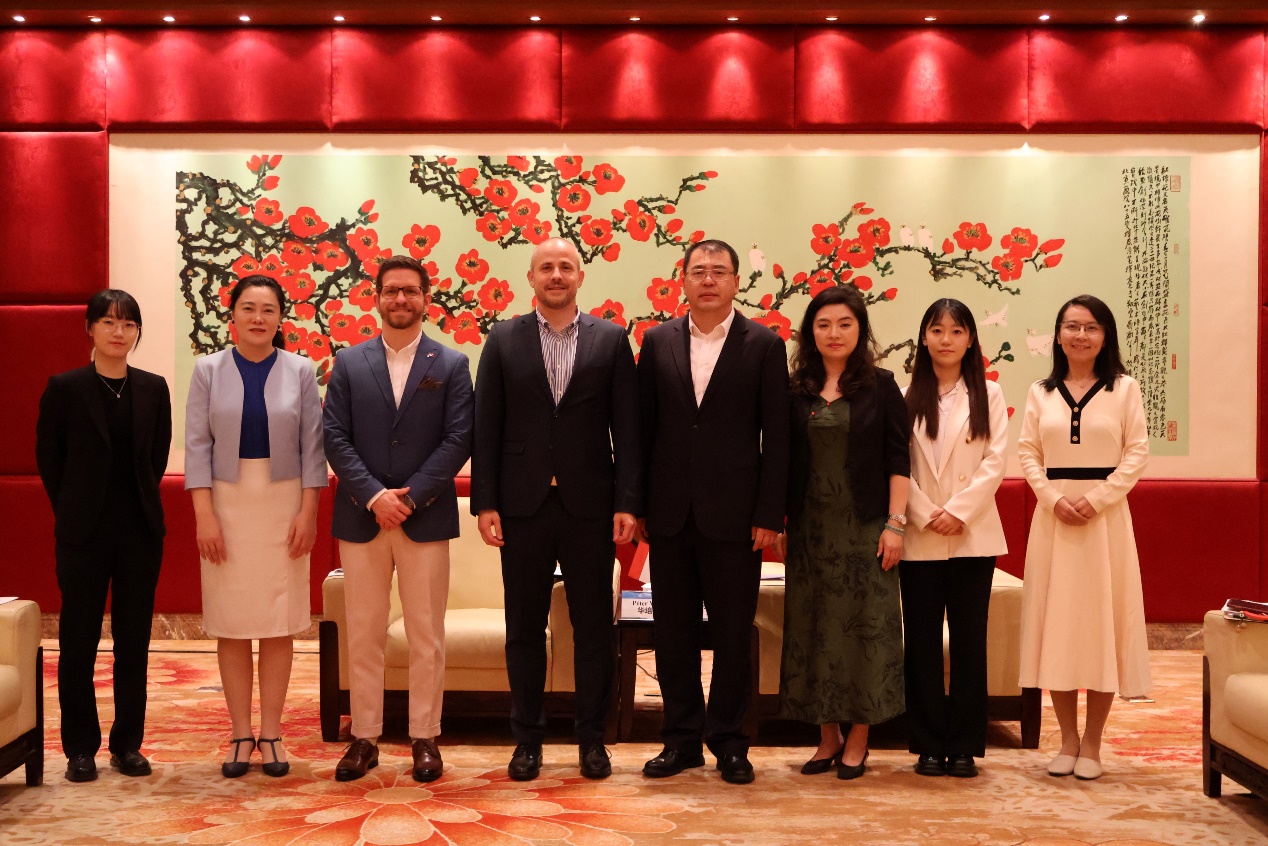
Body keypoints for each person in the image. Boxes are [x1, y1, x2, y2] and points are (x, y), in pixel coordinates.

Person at [472, 237, 640, 781]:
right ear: (531, 278)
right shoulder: (503, 338)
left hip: (590, 505)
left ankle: (593, 740)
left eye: (566, 266)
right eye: (546, 267)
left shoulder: (611, 339)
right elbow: (486, 425)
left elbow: (628, 429)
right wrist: (485, 502)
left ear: (580, 277)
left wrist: (627, 502)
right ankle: (527, 741)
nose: (556, 275)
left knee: (593, 630)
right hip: (522, 506)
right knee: (523, 628)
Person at [637, 238, 789, 785]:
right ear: (682, 280)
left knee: (731, 635)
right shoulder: (657, 341)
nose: (708, 279)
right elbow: (641, 431)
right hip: (669, 515)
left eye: (719, 271)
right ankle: (680, 740)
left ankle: (730, 742)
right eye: (698, 270)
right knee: (672, 634)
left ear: (735, 282)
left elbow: (778, 438)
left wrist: (769, 514)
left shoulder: (765, 345)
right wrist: (637, 505)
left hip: (737, 518)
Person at [323, 255, 474, 783]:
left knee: (425, 633)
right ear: (377, 298)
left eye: (410, 291)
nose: (401, 299)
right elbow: (334, 436)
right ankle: (364, 737)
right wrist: (373, 496)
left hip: (424, 518)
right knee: (363, 632)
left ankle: (425, 737)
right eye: (391, 291)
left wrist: (409, 499)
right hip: (362, 518)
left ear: (426, 299)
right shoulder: (349, 362)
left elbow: (459, 438)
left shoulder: (451, 364)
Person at [185, 274, 327, 778]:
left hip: (284, 503)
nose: (258, 318)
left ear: (280, 318)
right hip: (225, 504)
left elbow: (313, 448)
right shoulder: (207, 369)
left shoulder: (300, 370)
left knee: (277, 622)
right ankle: (240, 733)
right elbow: (197, 447)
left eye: (268, 309)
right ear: (233, 317)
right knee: (231, 621)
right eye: (248, 308)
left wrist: (308, 513)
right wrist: (204, 515)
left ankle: (271, 732)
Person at [36, 289, 172, 783]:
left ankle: (127, 745)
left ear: (137, 332)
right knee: (79, 642)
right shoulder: (65, 387)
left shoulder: (153, 388)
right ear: (90, 328)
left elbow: (156, 458)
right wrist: (74, 509)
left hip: (139, 532)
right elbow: (49, 460)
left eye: (128, 324)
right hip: (83, 534)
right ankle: (80, 748)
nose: (119, 332)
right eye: (109, 322)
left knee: (133, 643)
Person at [1017, 294, 1150, 781]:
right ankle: (1067, 740)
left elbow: (1136, 453)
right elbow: (1028, 452)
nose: (1080, 335)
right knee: (1058, 626)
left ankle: (1093, 743)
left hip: (1104, 523)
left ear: (1105, 335)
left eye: (1091, 327)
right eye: (1072, 326)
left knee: (1101, 628)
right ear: (1057, 335)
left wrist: (1098, 498)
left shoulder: (1124, 389)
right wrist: (1052, 498)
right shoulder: (1040, 392)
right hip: (1053, 522)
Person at [779, 285, 909, 780]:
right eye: (824, 325)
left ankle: (859, 737)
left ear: (860, 330)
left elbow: (899, 460)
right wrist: (782, 522)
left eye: (844, 324)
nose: (834, 333)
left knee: (866, 630)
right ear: (810, 333)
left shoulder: (882, 385)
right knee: (814, 630)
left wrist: (895, 524)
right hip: (810, 532)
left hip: (866, 529)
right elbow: (781, 461)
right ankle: (827, 735)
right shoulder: (796, 388)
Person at [900, 298, 1009, 779]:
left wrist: (959, 511)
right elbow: (897, 464)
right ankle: (927, 743)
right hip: (920, 535)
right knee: (921, 642)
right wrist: (927, 513)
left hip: (972, 535)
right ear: (924, 338)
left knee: (969, 642)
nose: (946, 339)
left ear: (970, 340)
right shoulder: (905, 395)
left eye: (957, 331)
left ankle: (964, 745)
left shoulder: (991, 394)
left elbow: (996, 461)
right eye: (937, 330)